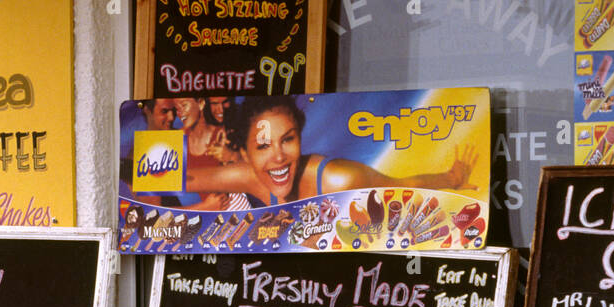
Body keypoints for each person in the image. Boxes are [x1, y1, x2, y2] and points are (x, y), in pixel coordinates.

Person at [185, 96, 478, 207]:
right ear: (246, 154)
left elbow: (403, 186)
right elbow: (185, 179)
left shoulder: (341, 179)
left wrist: (451, 178)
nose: (278, 156)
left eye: (287, 139)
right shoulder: (247, 176)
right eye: (263, 146)